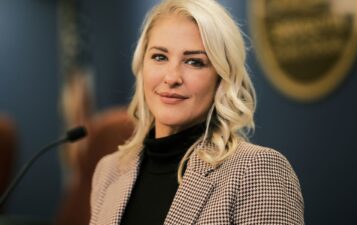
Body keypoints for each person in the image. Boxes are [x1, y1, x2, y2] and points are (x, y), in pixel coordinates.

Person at [89, 0, 304, 224]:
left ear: (221, 77)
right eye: (159, 57)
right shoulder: (108, 170)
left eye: (194, 62)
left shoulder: (257, 170)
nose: (172, 77)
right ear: (142, 65)